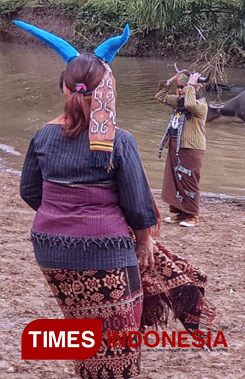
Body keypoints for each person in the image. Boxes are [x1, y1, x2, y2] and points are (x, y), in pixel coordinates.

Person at [16, 20, 214, 378]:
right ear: (109, 89)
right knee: (118, 340)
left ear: (64, 87)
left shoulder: (43, 135)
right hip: (104, 248)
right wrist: (141, 243)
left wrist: (63, 213)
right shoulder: (118, 140)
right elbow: (138, 205)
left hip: (49, 247)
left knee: (80, 327)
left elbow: (30, 191)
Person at [155, 69, 208, 228]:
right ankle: (179, 212)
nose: (180, 90)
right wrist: (172, 80)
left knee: (189, 181)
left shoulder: (201, 105)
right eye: (179, 87)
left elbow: (190, 104)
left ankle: (193, 215)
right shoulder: (178, 102)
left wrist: (191, 85)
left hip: (191, 148)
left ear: (196, 89)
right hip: (174, 146)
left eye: (184, 87)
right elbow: (160, 96)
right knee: (174, 180)